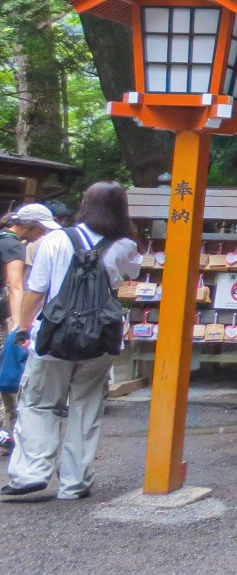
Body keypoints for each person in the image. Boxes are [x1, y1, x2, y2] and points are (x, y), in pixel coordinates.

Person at [3, 183, 139, 501]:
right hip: (100, 338)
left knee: (38, 402)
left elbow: (36, 291)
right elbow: (129, 274)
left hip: (52, 337)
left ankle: (30, 474)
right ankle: (74, 483)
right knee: (86, 406)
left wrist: (22, 329)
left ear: (85, 204)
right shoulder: (125, 244)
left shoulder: (54, 240)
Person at [0, 206, 62, 454]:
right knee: (7, 370)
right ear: (27, 226)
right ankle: (11, 430)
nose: (42, 234)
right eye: (40, 228)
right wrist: (19, 325)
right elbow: (15, 286)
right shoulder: (14, 245)